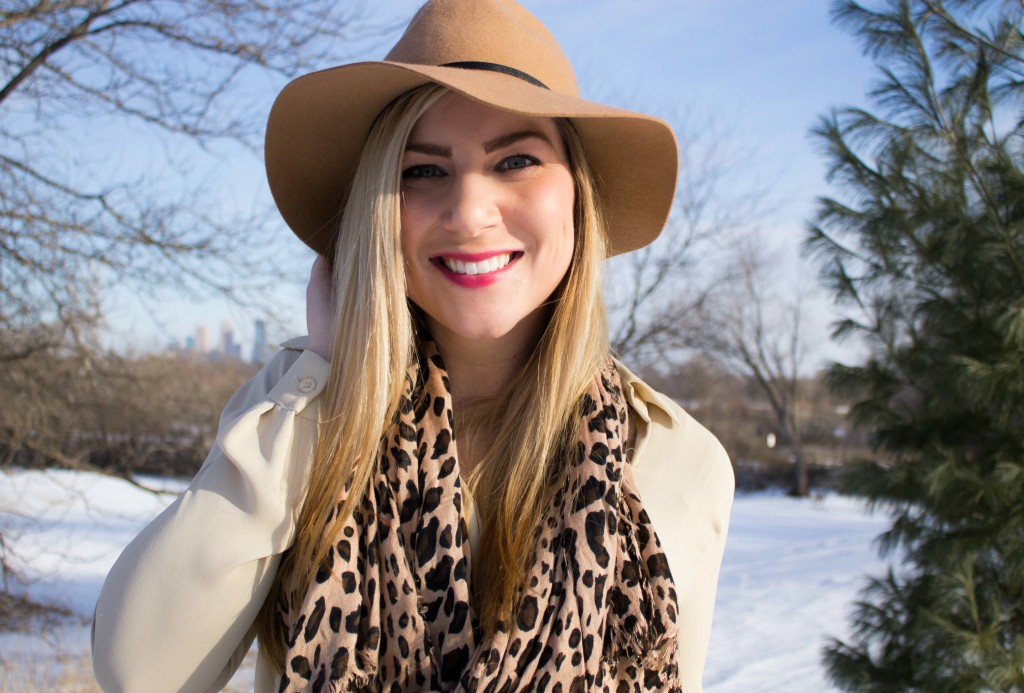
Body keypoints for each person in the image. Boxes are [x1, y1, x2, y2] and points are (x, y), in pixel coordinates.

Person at [91, 1, 734, 691]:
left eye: (516, 159)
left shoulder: (678, 459)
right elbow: (140, 671)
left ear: (579, 196)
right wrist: (332, 386)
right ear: (379, 208)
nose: (469, 211)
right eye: (423, 171)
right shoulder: (295, 406)